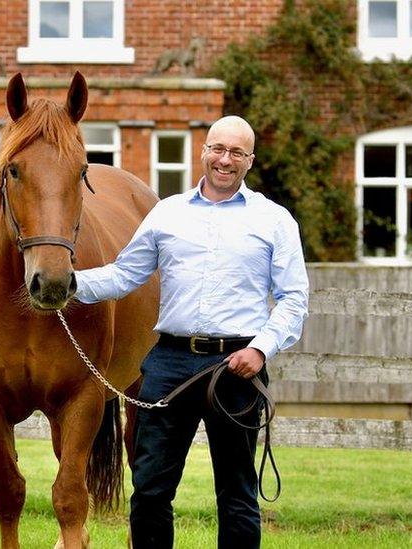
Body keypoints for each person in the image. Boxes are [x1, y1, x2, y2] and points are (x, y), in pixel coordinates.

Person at [74, 115, 309, 548]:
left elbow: (294, 299)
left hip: (237, 368)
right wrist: (71, 285)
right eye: (218, 149)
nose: (225, 159)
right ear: (203, 152)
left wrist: (260, 350)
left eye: (237, 152)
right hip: (169, 362)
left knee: (237, 494)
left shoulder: (274, 220)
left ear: (249, 161)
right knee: (150, 490)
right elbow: (125, 274)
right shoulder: (168, 214)